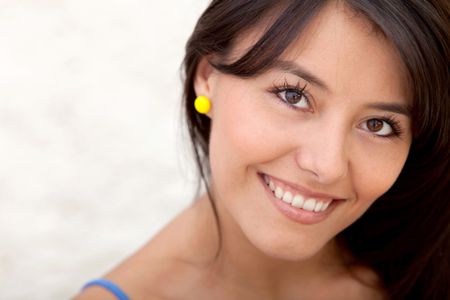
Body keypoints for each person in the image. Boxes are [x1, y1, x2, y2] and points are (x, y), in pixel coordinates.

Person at [74, 0, 450, 299]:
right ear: (208, 77)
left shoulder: (427, 258)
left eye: (378, 125)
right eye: (294, 95)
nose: (328, 165)